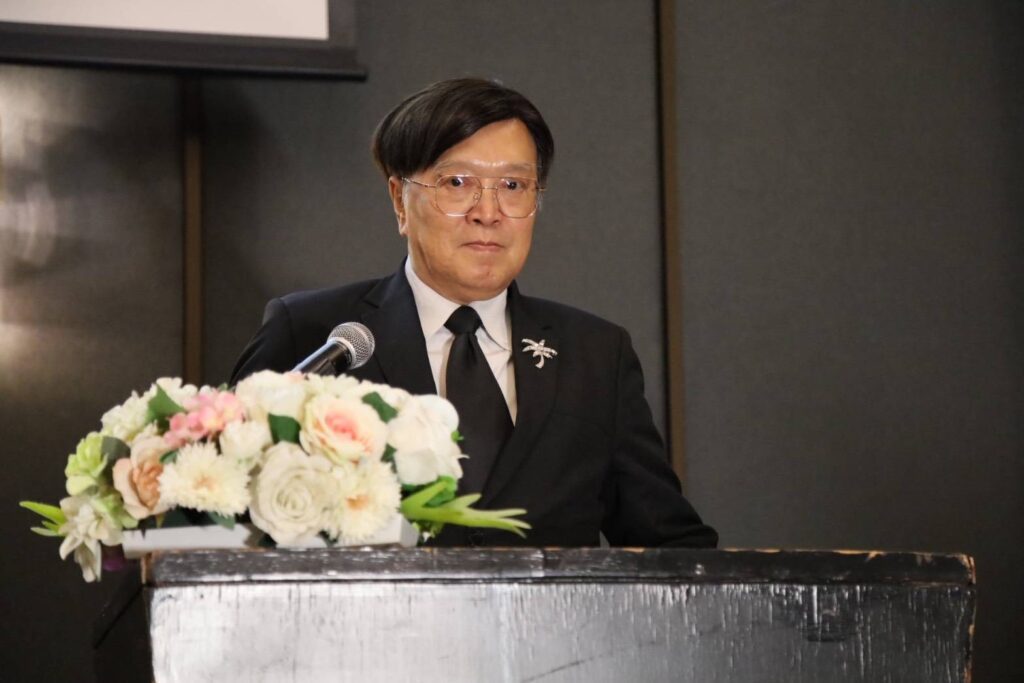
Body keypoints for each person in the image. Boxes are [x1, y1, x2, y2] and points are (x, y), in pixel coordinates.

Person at [231, 78, 717, 548]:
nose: (488, 212)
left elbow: (673, 547)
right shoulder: (318, 334)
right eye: (458, 182)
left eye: (513, 185)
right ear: (400, 200)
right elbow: (221, 514)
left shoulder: (595, 356)